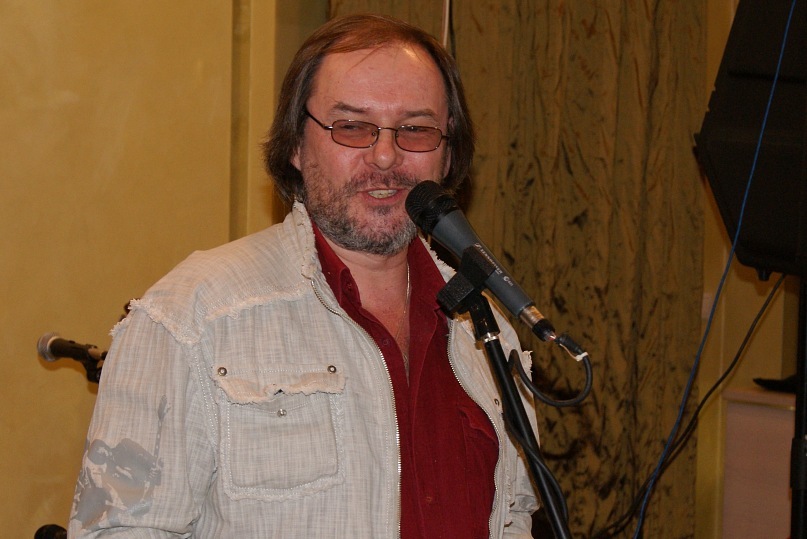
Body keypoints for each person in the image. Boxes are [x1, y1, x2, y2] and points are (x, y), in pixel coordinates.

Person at [68, 13, 539, 538]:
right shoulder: (191, 317)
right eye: (352, 126)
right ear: (295, 144)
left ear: (447, 153)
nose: (386, 156)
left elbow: (514, 515)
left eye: (416, 129)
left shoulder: (488, 329)